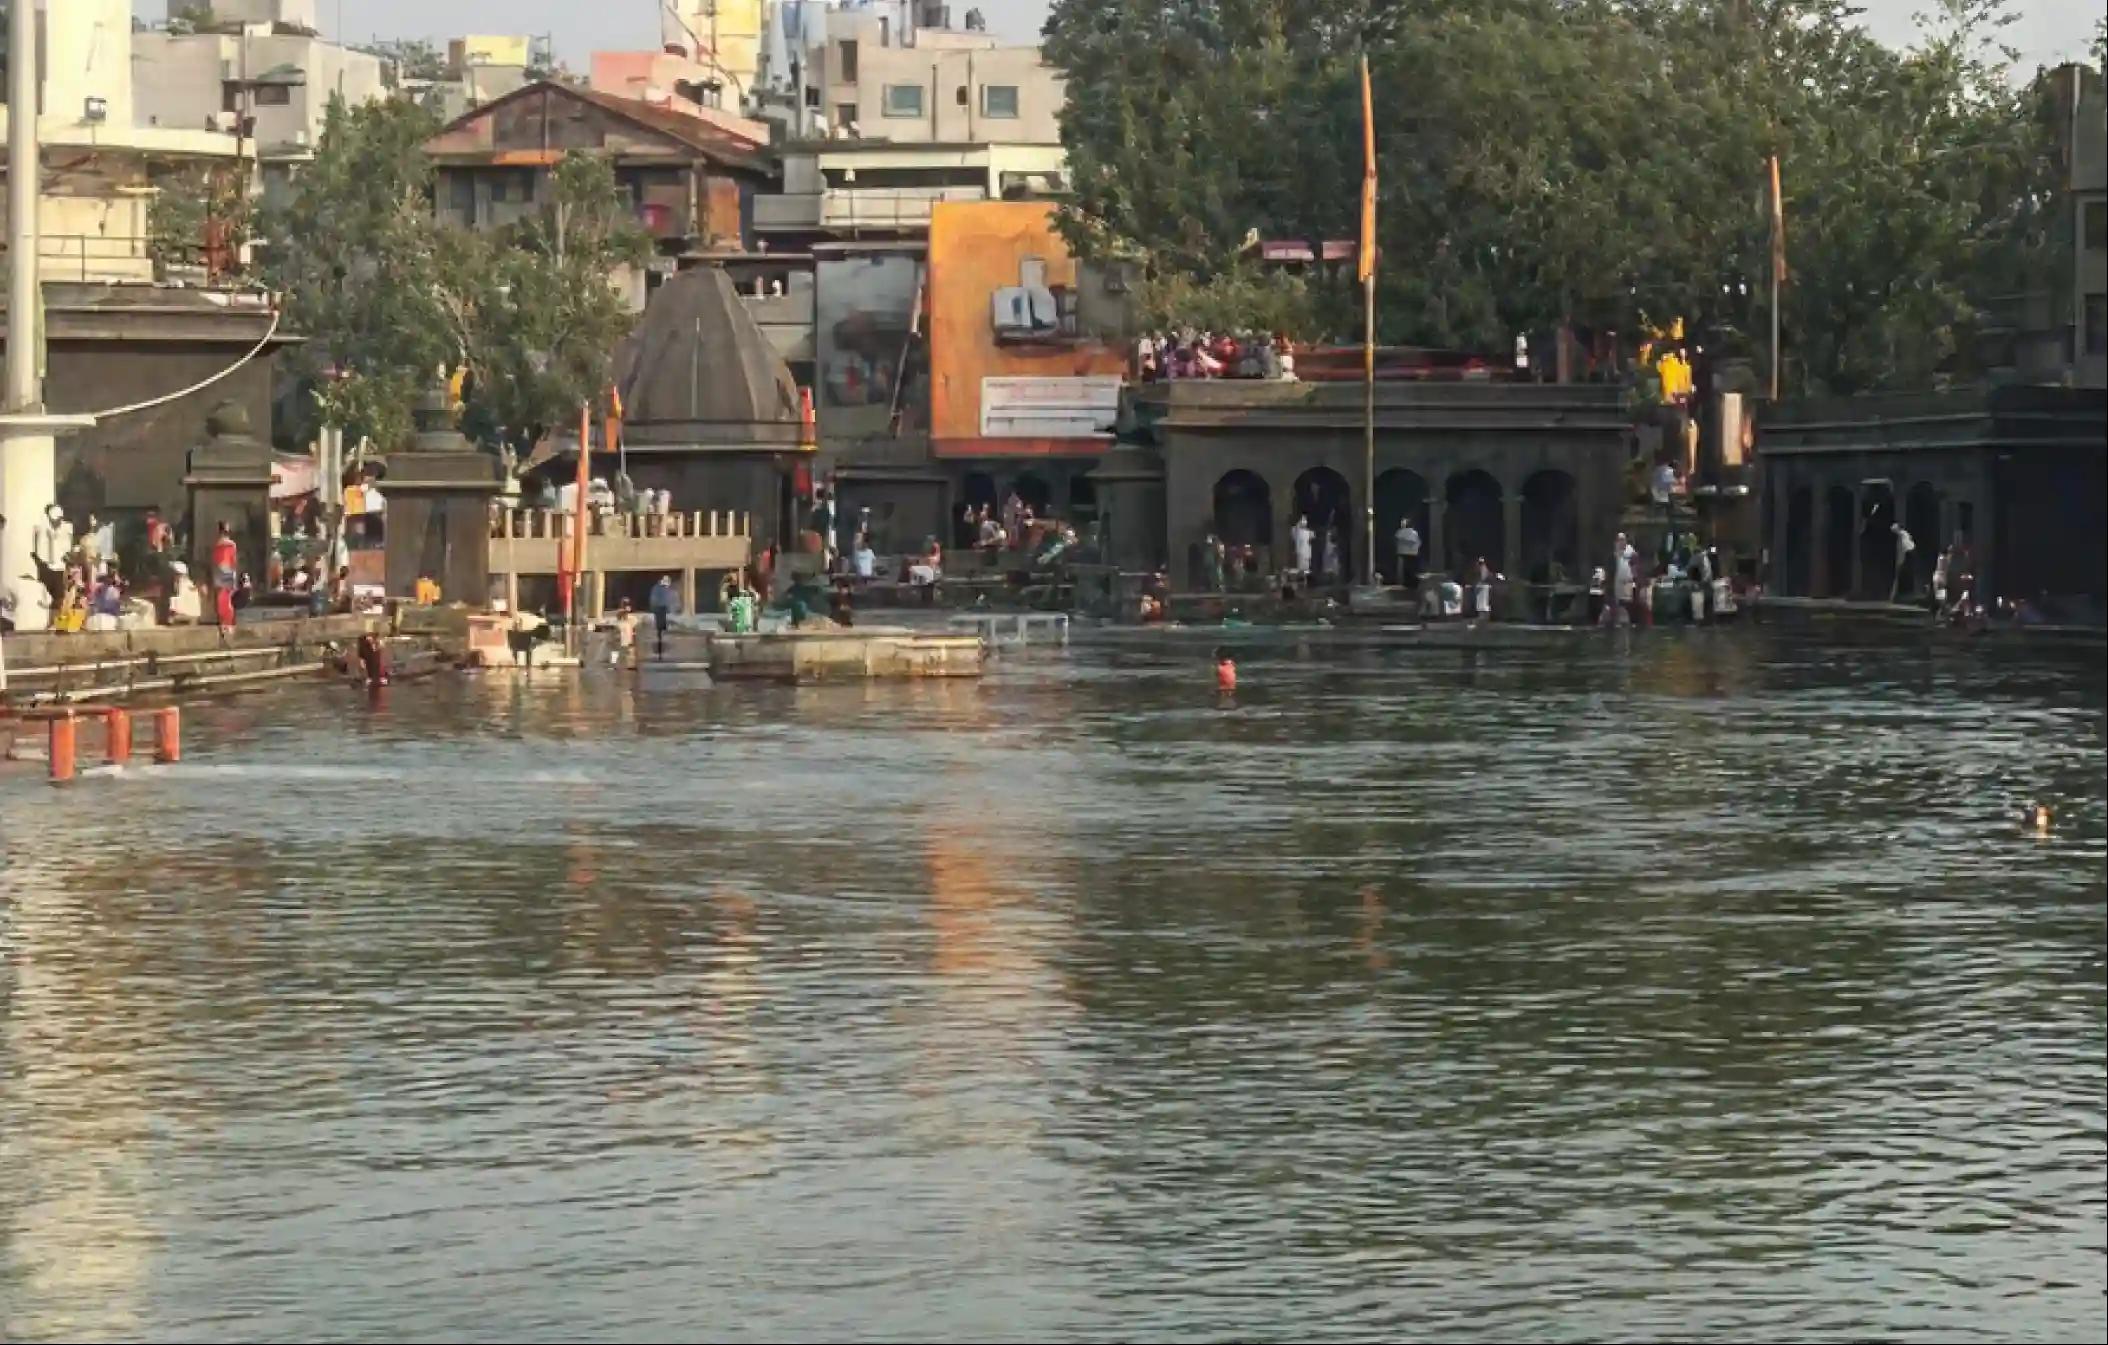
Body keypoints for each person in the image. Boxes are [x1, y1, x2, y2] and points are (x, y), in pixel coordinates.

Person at [33, 504, 71, 604]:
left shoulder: (66, 529)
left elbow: (67, 550)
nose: (55, 522)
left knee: (58, 599)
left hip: (59, 569)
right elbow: (38, 550)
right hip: (46, 568)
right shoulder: (41, 527)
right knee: (44, 599)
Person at [648, 573, 677, 655]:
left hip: (667, 612)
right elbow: (653, 600)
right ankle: (660, 649)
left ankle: (663, 649)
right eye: (666, 581)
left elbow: (674, 600)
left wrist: (673, 610)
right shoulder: (657, 589)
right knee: (660, 631)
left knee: (664, 631)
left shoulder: (671, 589)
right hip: (660, 611)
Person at [1889, 522, 1914, 603]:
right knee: (1898, 577)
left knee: (1899, 577)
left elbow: (1907, 547)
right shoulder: (1902, 536)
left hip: (1906, 557)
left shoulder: (1903, 534)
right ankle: (1894, 597)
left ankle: (1894, 597)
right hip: (1903, 558)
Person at [1395, 518, 1422, 588]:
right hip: (1413, 553)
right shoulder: (1413, 532)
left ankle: (1407, 582)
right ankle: (1412, 583)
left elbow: (1397, 540)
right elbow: (1417, 542)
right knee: (1412, 569)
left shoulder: (1400, 532)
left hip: (1403, 553)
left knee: (1406, 569)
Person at [1290, 513, 1314, 580]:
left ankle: (1305, 575)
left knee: (1305, 563)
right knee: (1302, 562)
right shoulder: (1296, 528)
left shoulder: (1299, 527)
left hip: (1305, 548)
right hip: (1302, 548)